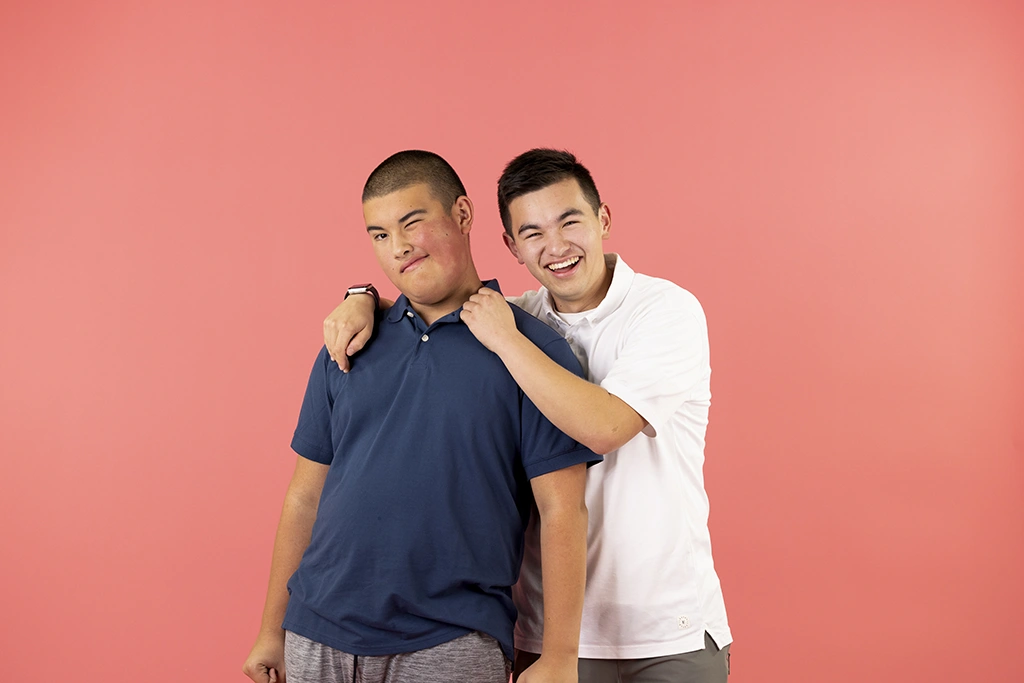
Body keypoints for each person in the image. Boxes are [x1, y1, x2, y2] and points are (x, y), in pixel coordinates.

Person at [324, 149, 732, 683]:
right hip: (548, 636)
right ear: (512, 247)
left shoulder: (664, 310)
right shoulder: (521, 316)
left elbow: (605, 428)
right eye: (533, 232)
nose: (557, 246)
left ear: (603, 219)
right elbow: (433, 303)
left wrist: (507, 342)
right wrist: (361, 296)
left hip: (665, 630)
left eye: (570, 221)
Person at [243, 150, 599, 683]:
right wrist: (273, 627)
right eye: (380, 235)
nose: (399, 247)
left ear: (462, 214)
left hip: (450, 640)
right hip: (316, 630)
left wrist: (559, 655)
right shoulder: (350, 340)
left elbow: (562, 511)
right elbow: (304, 496)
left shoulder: (530, 350)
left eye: (413, 223)